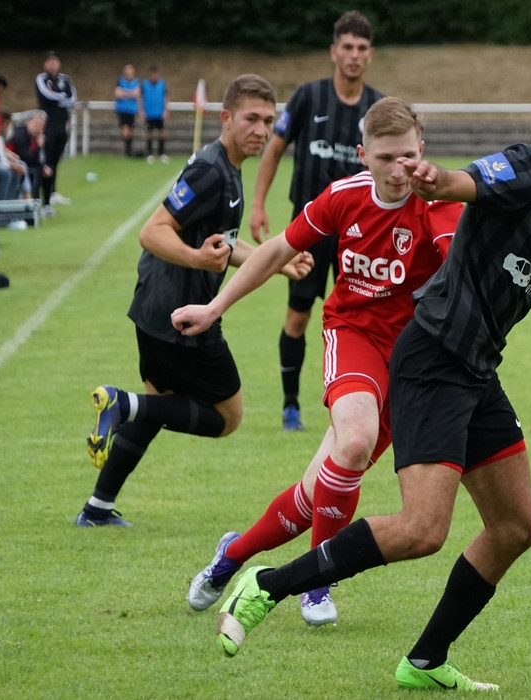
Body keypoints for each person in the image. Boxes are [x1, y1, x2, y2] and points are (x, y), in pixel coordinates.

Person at [211, 97, 531, 691]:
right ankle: (269, 584)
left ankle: (425, 660)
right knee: (422, 530)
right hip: (432, 357)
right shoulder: (529, 170)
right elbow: (464, 183)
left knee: (516, 526)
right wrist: (436, 178)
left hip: (477, 369)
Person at [174, 97, 461, 626]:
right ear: (362, 155)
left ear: (422, 150)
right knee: (352, 441)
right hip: (352, 334)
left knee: (314, 496)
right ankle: (317, 582)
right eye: (383, 158)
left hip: (413, 364)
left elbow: (469, 276)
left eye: (407, 156)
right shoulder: (343, 196)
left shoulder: (440, 205)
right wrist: (214, 307)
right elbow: (276, 250)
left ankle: (232, 555)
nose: (398, 170)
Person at [74, 74, 313, 528]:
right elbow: (152, 232)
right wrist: (196, 261)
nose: (261, 130)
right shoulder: (210, 171)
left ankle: (97, 508)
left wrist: (277, 263)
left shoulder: (228, 167)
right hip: (183, 317)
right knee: (228, 417)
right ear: (225, 118)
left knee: (156, 406)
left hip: (154, 310)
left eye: (268, 120)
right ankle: (122, 405)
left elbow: (221, 245)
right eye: (251, 119)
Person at [249, 9, 383, 432]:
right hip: (307, 229)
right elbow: (273, 149)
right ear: (333, 51)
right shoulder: (308, 96)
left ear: (370, 55)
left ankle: (361, 405)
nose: (354, 55)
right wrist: (258, 204)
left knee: (362, 321)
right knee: (299, 316)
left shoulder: (377, 107)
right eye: (347, 47)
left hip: (360, 235)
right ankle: (291, 406)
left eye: (362, 48)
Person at [35, 51, 77, 216]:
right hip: (47, 126)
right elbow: (46, 96)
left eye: (55, 61)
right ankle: (42, 200)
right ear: (45, 64)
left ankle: (52, 193)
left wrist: (59, 98)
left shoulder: (65, 79)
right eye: (49, 61)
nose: (52, 64)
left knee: (55, 161)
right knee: (45, 161)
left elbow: (72, 98)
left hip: (61, 126)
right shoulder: (41, 79)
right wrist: (61, 97)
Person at [7, 110, 47, 200]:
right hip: (11, 161)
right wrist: (39, 147)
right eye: (36, 123)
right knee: (28, 168)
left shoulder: (35, 137)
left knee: (45, 170)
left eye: (41, 125)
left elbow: (39, 159)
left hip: (24, 164)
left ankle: (44, 202)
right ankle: (30, 200)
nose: (38, 127)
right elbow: (26, 158)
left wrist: (44, 165)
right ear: (28, 121)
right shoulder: (20, 134)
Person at [0, 109, 26, 201]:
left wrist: (13, 164)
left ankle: (10, 204)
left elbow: (1, 158)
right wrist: (10, 165)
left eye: (7, 124)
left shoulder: (0, 138)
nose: (4, 126)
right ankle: (1, 205)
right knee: (6, 173)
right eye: (3, 123)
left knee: (18, 168)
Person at [141, 66, 170, 164]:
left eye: (155, 74)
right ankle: (149, 154)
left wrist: (165, 110)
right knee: (149, 134)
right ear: (150, 75)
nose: (154, 76)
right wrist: (142, 111)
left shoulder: (162, 84)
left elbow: (165, 97)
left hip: (159, 113)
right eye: (152, 74)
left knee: (162, 133)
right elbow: (141, 98)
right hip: (149, 113)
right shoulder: (144, 84)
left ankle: (161, 153)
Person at [114, 63, 141, 157]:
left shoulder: (137, 82)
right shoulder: (120, 81)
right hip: (122, 109)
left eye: (130, 70)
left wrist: (124, 93)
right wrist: (131, 94)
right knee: (125, 129)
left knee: (131, 130)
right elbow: (118, 94)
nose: (128, 72)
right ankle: (127, 150)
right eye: (127, 70)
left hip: (133, 109)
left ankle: (129, 150)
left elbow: (137, 94)